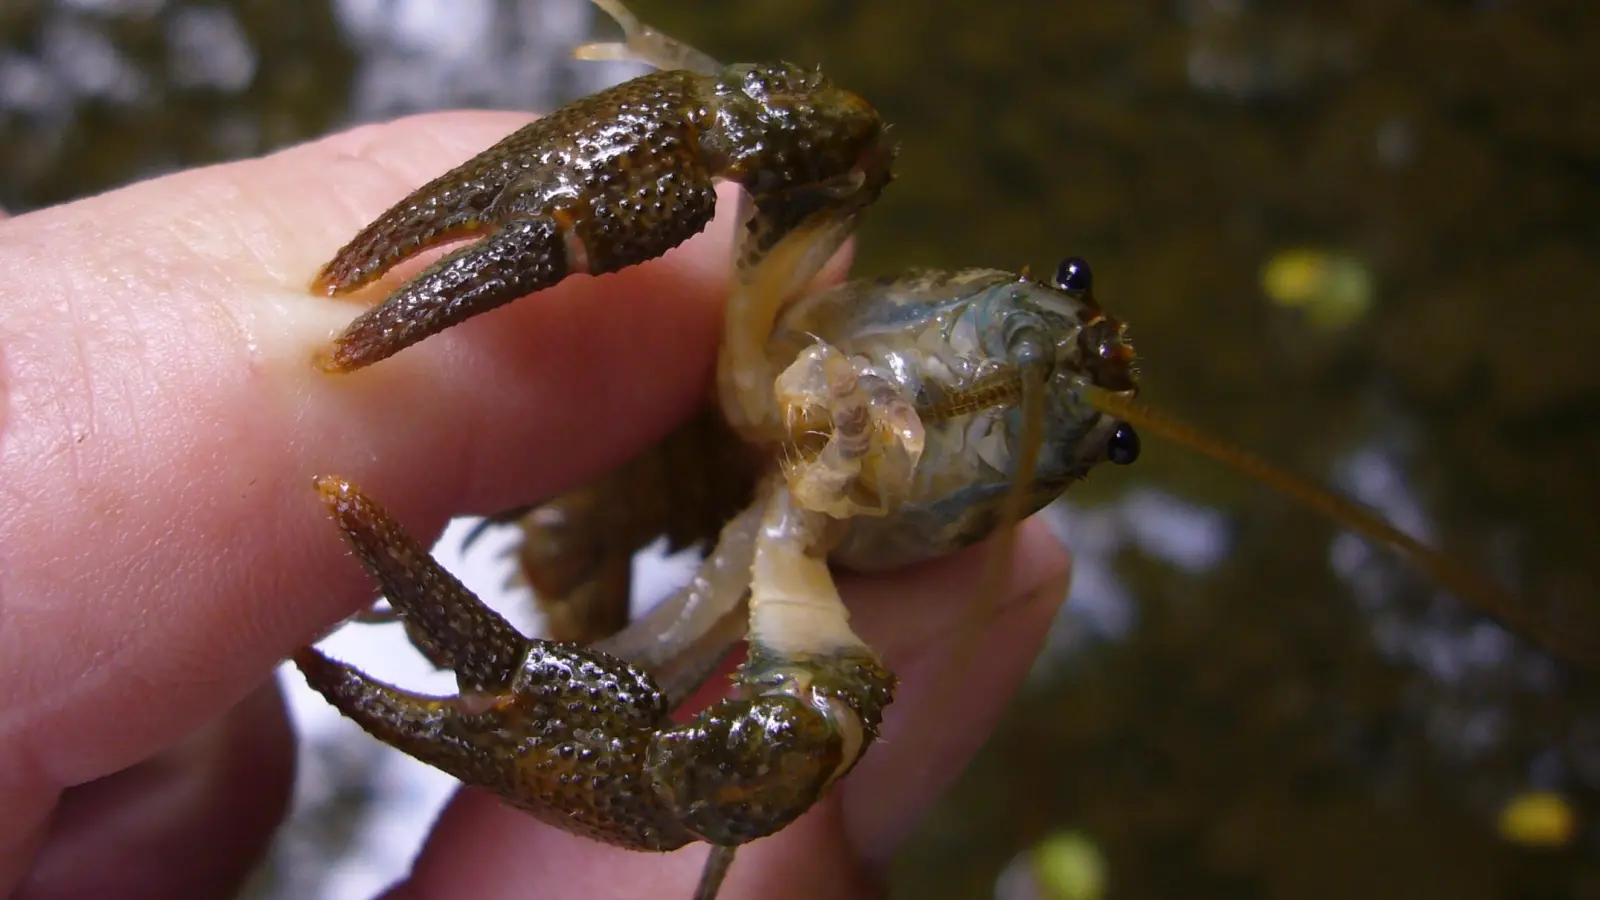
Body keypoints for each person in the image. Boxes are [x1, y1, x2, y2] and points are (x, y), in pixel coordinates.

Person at [0, 111, 1072, 899]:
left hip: (738, 568)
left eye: (1085, 436)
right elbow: (742, 123)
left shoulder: (822, 653)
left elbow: (681, 779)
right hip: (649, 422)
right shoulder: (815, 235)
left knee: (746, 758)